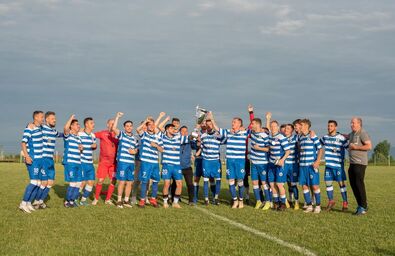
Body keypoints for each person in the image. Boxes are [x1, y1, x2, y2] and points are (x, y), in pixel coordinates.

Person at [31, 111, 62, 209]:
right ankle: (36, 201)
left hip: (50, 160)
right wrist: (29, 124)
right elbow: (33, 125)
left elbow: (62, 134)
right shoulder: (42, 128)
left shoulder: (53, 131)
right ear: (47, 119)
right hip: (43, 159)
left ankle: (40, 201)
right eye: (53, 119)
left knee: (50, 182)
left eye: (55, 119)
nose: (55, 120)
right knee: (43, 182)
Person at [320, 120, 349, 211]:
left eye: (331, 126)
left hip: (338, 165)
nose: (329, 127)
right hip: (328, 165)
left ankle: (345, 202)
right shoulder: (325, 137)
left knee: (341, 184)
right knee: (328, 183)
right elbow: (317, 145)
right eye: (328, 126)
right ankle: (331, 201)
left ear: (336, 127)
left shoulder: (341, 138)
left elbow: (349, 148)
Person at [136, 115, 164, 208]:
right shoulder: (144, 134)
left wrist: (155, 145)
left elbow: (161, 149)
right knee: (144, 181)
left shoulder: (157, 137)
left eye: (153, 125)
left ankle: (153, 199)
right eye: (149, 125)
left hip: (155, 162)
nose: (151, 126)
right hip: (145, 162)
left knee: (155, 181)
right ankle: (142, 200)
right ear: (146, 126)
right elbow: (137, 130)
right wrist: (145, 121)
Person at [19, 111, 45, 213]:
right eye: (41, 117)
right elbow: (23, 142)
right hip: (33, 159)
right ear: (36, 117)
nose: (43, 119)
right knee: (34, 182)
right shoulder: (30, 127)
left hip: (40, 160)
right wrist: (27, 156)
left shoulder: (40, 128)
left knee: (38, 183)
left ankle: (29, 203)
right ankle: (23, 203)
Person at [220, 118, 249, 209]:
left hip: (240, 161)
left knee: (240, 182)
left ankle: (241, 201)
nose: (232, 123)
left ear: (239, 124)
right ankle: (235, 200)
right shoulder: (228, 132)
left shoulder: (244, 133)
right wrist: (212, 118)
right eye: (232, 122)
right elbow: (217, 129)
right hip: (230, 160)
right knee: (231, 181)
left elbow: (253, 127)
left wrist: (250, 113)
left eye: (234, 122)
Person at [111, 112, 138, 208]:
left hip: (131, 163)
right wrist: (117, 117)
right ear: (124, 127)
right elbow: (114, 129)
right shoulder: (122, 134)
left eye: (131, 126)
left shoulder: (135, 138)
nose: (129, 127)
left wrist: (135, 151)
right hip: (122, 162)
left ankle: (126, 200)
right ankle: (119, 201)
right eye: (127, 126)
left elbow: (136, 149)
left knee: (130, 182)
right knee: (122, 181)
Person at [160, 123, 189, 208]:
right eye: (172, 128)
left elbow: (189, 138)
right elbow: (158, 127)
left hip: (177, 165)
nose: (174, 130)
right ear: (167, 130)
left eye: (174, 128)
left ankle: (175, 202)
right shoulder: (163, 137)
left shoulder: (178, 137)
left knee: (179, 183)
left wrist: (196, 129)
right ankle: (165, 202)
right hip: (167, 165)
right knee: (167, 184)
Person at [348, 117, 372, 215]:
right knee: (353, 185)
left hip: (360, 163)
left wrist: (356, 147)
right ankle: (360, 205)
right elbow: (346, 136)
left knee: (359, 184)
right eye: (351, 123)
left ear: (359, 124)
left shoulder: (362, 133)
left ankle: (363, 206)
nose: (351, 124)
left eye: (353, 123)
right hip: (352, 163)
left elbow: (369, 146)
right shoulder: (352, 134)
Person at [298, 119, 323, 213]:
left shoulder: (312, 135)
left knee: (315, 186)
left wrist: (317, 161)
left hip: (311, 166)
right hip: (302, 166)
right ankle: (309, 205)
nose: (300, 126)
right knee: (304, 186)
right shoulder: (300, 137)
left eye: (302, 125)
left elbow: (320, 149)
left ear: (307, 126)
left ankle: (318, 206)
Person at [92, 119, 119, 205]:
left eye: (114, 124)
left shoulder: (118, 135)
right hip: (104, 162)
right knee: (100, 180)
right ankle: (96, 199)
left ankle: (107, 199)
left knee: (113, 180)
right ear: (107, 124)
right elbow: (90, 134)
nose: (112, 125)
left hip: (114, 163)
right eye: (111, 124)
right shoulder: (102, 133)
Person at [200, 112, 224, 206]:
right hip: (206, 161)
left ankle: (216, 198)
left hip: (216, 161)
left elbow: (225, 140)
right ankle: (206, 198)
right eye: (208, 124)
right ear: (205, 125)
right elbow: (201, 147)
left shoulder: (218, 135)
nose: (209, 126)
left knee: (218, 179)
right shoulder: (203, 136)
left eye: (211, 124)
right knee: (206, 180)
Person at [249, 118, 271, 210]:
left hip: (263, 163)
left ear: (258, 125)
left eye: (252, 124)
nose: (251, 125)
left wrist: (259, 148)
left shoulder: (265, 136)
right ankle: (258, 201)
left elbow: (269, 149)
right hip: (253, 163)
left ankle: (268, 201)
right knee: (254, 183)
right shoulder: (252, 134)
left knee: (264, 183)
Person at [63, 115, 84, 208]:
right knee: (72, 182)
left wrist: (81, 148)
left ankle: (72, 201)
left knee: (79, 183)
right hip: (70, 163)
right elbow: (65, 128)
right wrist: (71, 118)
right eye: (76, 124)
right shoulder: (68, 135)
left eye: (78, 125)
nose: (78, 126)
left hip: (78, 163)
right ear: (71, 126)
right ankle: (67, 201)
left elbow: (79, 149)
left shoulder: (78, 137)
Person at [78, 117, 97, 206]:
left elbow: (93, 147)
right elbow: (77, 145)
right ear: (86, 124)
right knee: (82, 182)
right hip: (82, 161)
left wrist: (95, 146)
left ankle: (83, 200)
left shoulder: (93, 136)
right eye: (91, 123)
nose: (93, 124)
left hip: (90, 162)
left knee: (91, 182)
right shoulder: (80, 134)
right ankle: (73, 198)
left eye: (93, 123)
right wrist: (80, 147)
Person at [284, 124, 300, 210]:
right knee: (284, 183)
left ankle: (296, 202)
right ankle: (288, 200)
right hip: (284, 165)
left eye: (288, 128)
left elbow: (302, 134)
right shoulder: (281, 138)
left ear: (292, 130)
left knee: (293, 184)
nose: (286, 129)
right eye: (285, 128)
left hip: (293, 165)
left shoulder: (295, 138)